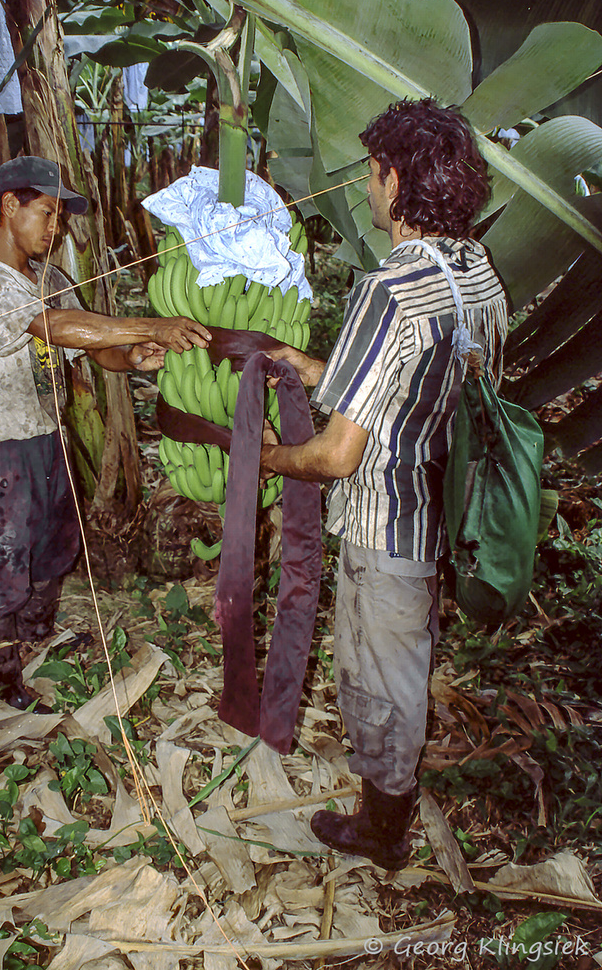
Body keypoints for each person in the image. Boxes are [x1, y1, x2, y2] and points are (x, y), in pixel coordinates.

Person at [261, 98, 509, 870]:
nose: (368, 187)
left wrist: (266, 456)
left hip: (384, 526)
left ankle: (384, 824)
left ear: (393, 178)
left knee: (382, 675)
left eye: (373, 172)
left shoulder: (391, 286)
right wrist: (304, 366)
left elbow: (338, 456)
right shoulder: (476, 273)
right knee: (402, 657)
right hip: (446, 511)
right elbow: (421, 384)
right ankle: (388, 802)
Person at [0, 155, 210, 708]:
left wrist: (132, 354)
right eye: (47, 211)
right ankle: (0, 677)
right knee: (3, 570)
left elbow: (90, 343)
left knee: (51, 553)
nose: (55, 226)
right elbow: (55, 326)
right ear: (9, 206)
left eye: (60, 215)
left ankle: (36, 640)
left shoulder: (49, 277)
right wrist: (152, 323)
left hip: (46, 439)